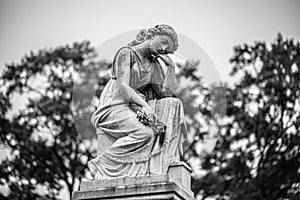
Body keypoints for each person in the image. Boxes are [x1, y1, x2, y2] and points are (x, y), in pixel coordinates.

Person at [88, 24, 187, 179]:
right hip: (115, 106)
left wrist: (171, 68)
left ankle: (164, 161)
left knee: (174, 105)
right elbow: (122, 87)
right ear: (152, 35)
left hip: (135, 107)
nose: (164, 48)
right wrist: (145, 106)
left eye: (167, 49)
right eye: (164, 42)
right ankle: (102, 163)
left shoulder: (154, 65)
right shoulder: (126, 53)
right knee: (145, 133)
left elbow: (165, 94)